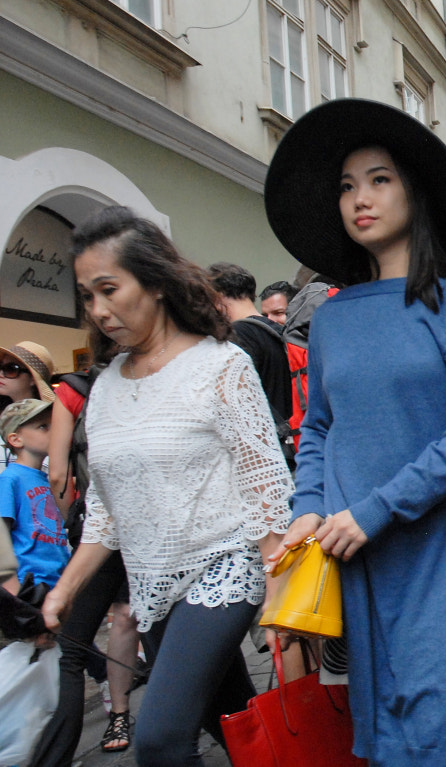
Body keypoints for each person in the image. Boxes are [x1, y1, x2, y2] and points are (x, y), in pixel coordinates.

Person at [262, 98, 446, 767]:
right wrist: (307, 510)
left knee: (443, 731)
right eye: (348, 185)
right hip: (361, 557)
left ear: (414, 191)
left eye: (379, 179)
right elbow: (319, 427)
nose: (360, 198)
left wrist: (374, 509)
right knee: (385, 737)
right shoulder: (331, 317)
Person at [41, 205, 294, 767]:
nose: (99, 310)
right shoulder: (105, 387)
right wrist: (66, 588)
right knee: (231, 721)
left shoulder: (221, 364)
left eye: (109, 288)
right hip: (153, 584)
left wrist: (279, 594)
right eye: (87, 295)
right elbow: (106, 509)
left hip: (225, 568)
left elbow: (265, 482)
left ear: (154, 283)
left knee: (159, 738)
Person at [37, 357, 144, 760]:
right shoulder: (148, 376)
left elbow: (58, 474)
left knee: (80, 641)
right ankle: (119, 716)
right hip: (129, 523)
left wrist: (65, 525)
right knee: (128, 619)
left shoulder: (72, 391)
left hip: (101, 526)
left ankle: (63, 752)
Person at [209, 262, 294, 467]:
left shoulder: (237, 337)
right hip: (293, 439)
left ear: (218, 296)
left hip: (267, 450)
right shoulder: (277, 329)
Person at [1, 399, 67, 588]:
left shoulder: (49, 478)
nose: (54, 432)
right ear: (16, 439)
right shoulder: (10, 479)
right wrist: (13, 589)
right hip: (29, 584)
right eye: (43, 427)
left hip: (55, 582)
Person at [0, 342, 56, 470]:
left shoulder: (53, 420)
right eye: (0, 367)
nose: (1, 374)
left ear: (32, 379)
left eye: (11, 369)